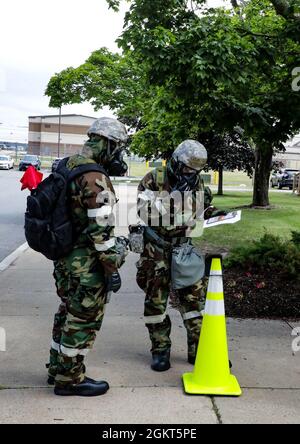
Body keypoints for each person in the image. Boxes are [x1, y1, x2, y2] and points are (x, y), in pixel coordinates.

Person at [47, 117, 128, 396]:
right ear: (107, 144)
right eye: (118, 148)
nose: (119, 155)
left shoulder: (67, 164)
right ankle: (70, 380)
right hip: (86, 264)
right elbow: (102, 237)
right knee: (82, 320)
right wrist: (114, 266)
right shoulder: (96, 178)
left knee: (66, 312)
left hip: (64, 258)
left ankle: (56, 368)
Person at [135, 140, 214, 372]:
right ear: (177, 161)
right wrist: (175, 200)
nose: (191, 173)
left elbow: (201, 211)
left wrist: (212, 214)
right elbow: (144, 213)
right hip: (156, 250)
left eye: (196, 170)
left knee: (194, 301)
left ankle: (198, 349)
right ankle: (160, 350)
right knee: (155, 304)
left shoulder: (197, 183)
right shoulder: (154, 179)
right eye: (188, 168)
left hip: (184, 249)